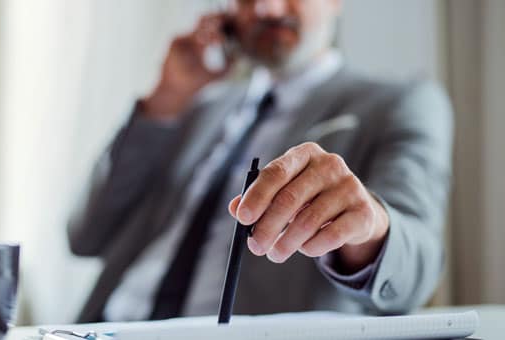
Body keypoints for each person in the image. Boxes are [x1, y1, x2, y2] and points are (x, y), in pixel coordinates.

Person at [68, 0, 453, 323]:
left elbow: (416, 269)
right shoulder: (200, 106)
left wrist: (369, 230)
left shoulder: (399, 104)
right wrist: (166, 99)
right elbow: (86, 235)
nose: (267, 8)